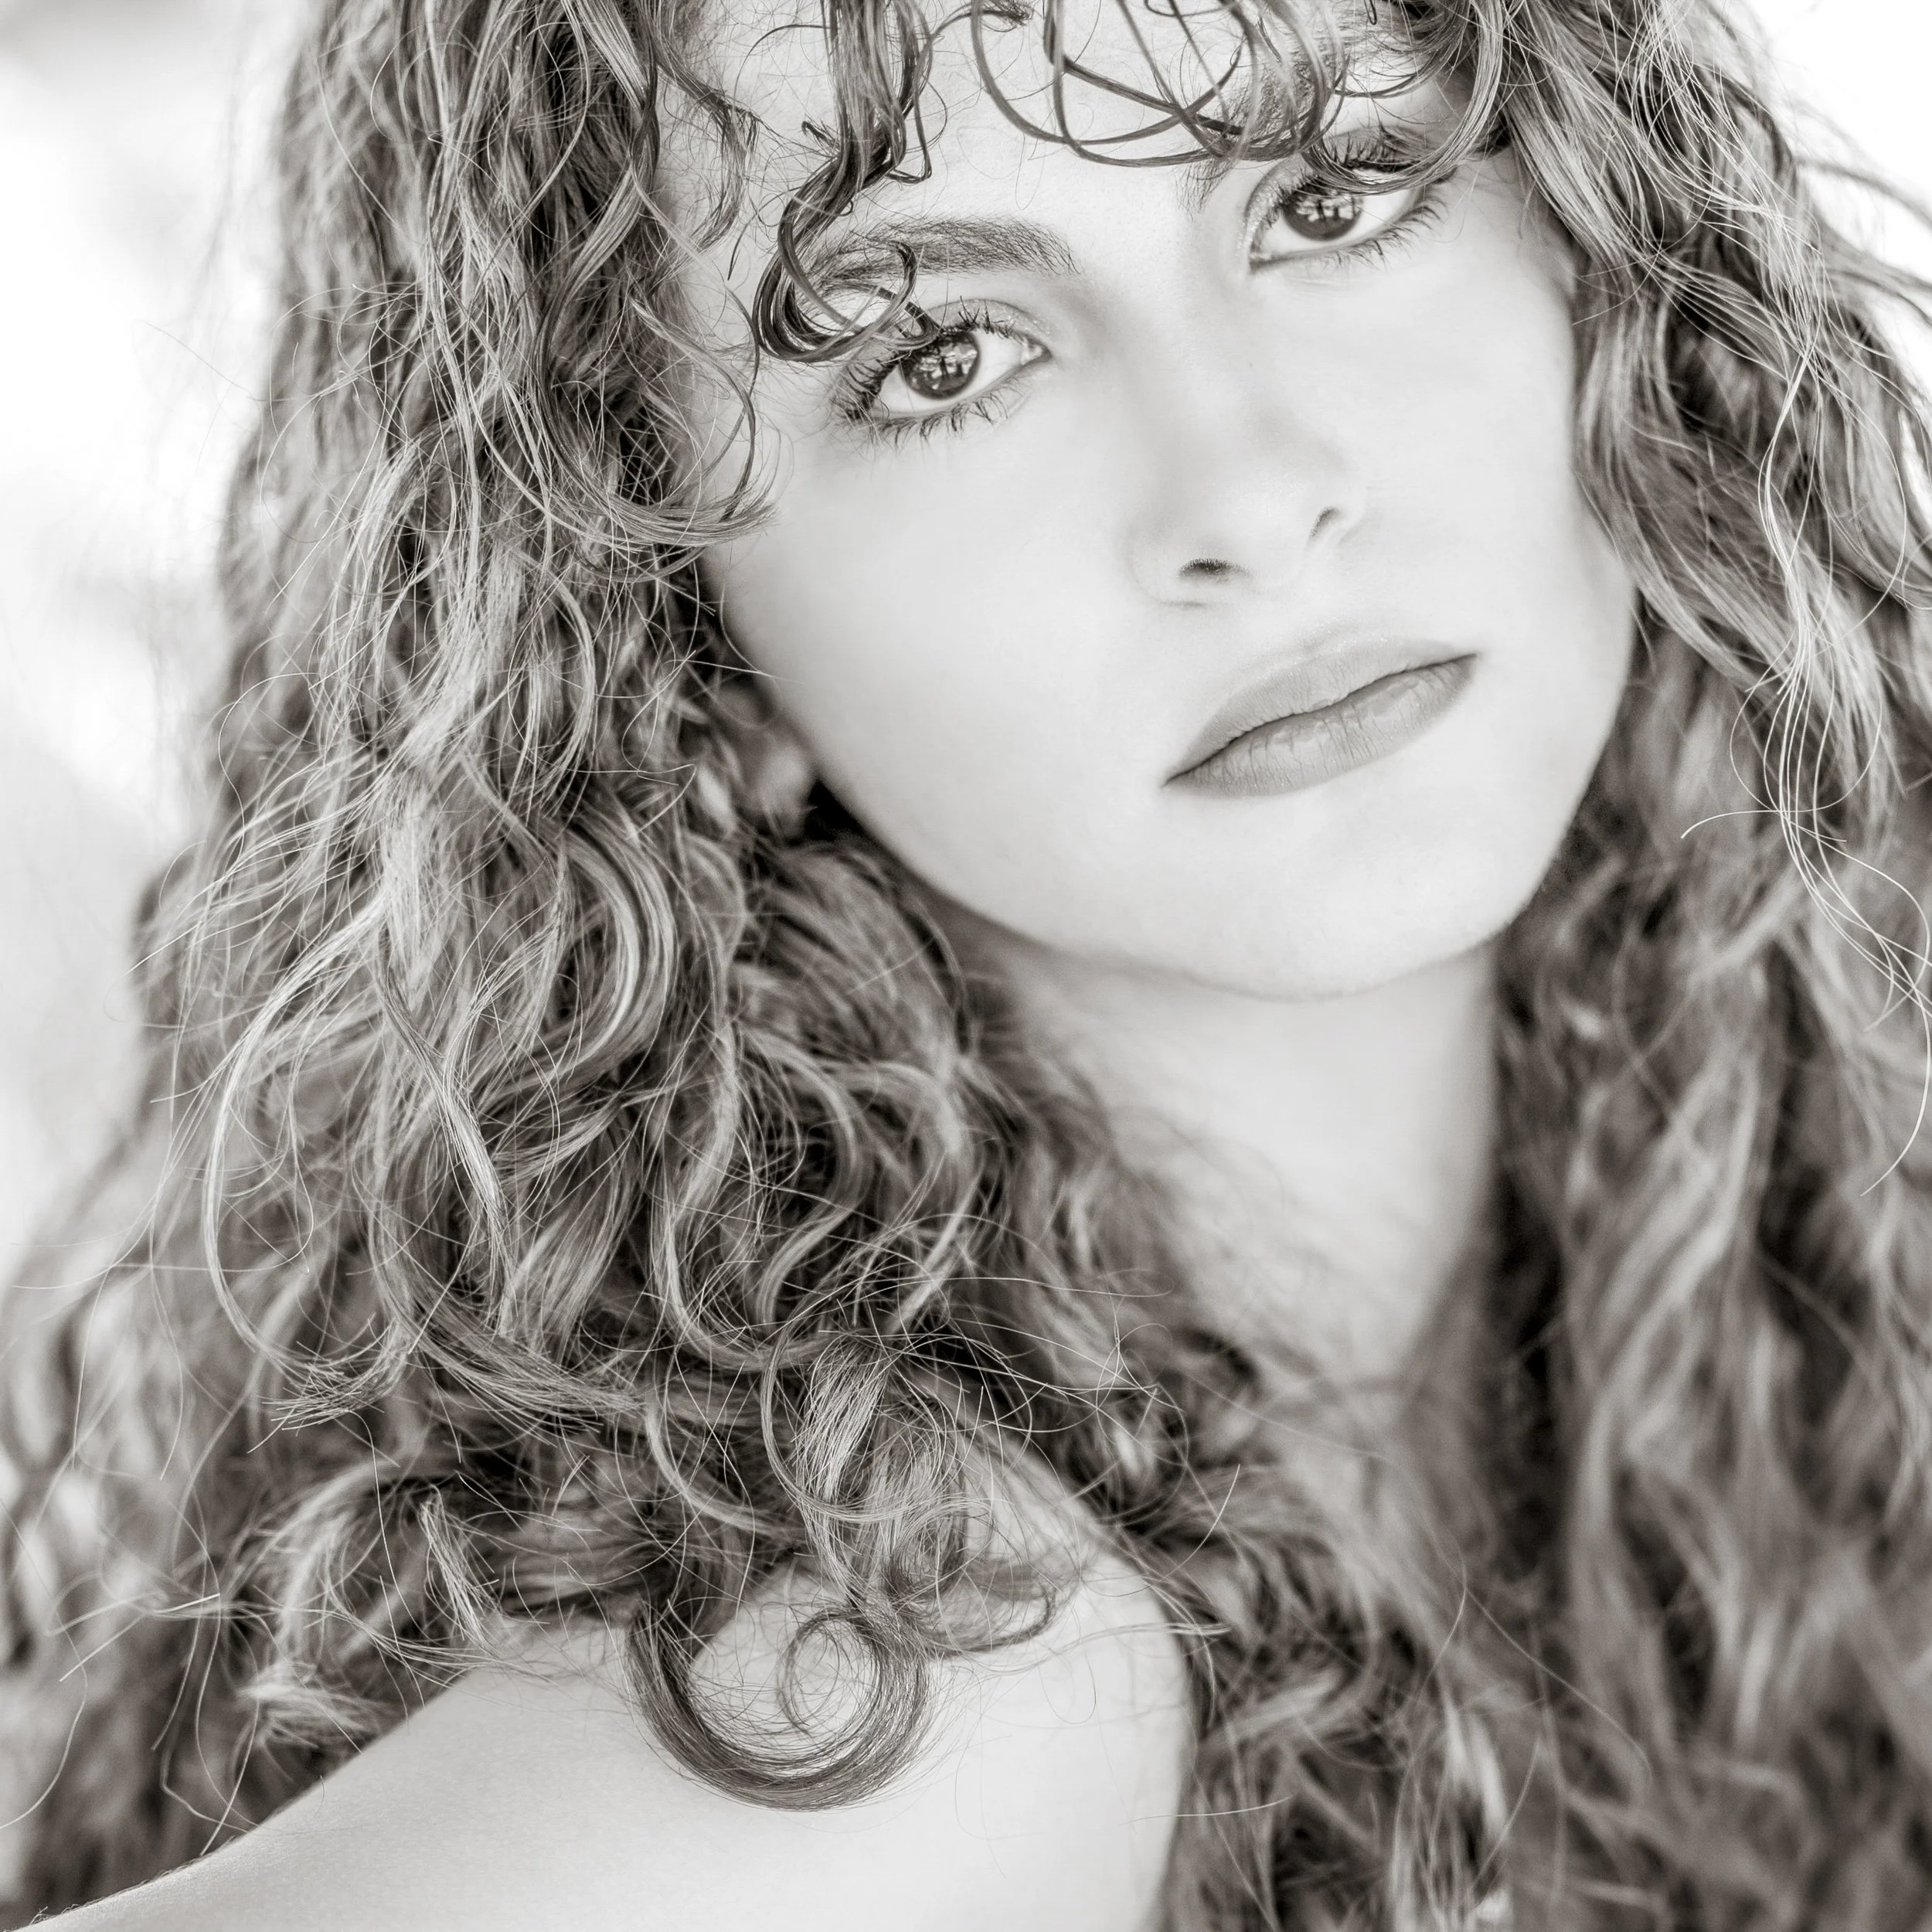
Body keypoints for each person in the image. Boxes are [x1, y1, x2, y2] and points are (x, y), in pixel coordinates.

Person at [5, 0, 1932, 1924]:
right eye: (939, 356)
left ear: (1616, 257)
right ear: (676, 639)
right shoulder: (915, 1692)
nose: (1252, 494)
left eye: (1333, 199)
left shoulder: (1803, 1287)